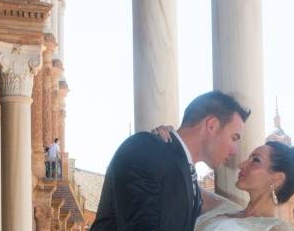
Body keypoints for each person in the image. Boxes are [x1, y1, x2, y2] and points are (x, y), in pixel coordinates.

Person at [91, 91, 251, 230]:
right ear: (211, 125)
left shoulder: (189, 178)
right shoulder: (145, 149)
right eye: (234, 138)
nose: (235, 150)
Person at [153, 127, 294, 231]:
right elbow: (184, 182)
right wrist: (172, 143)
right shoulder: (223, 207)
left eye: (255, 160)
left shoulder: (273, 229)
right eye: (249, 158)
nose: (242, 164)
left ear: (277, 179)